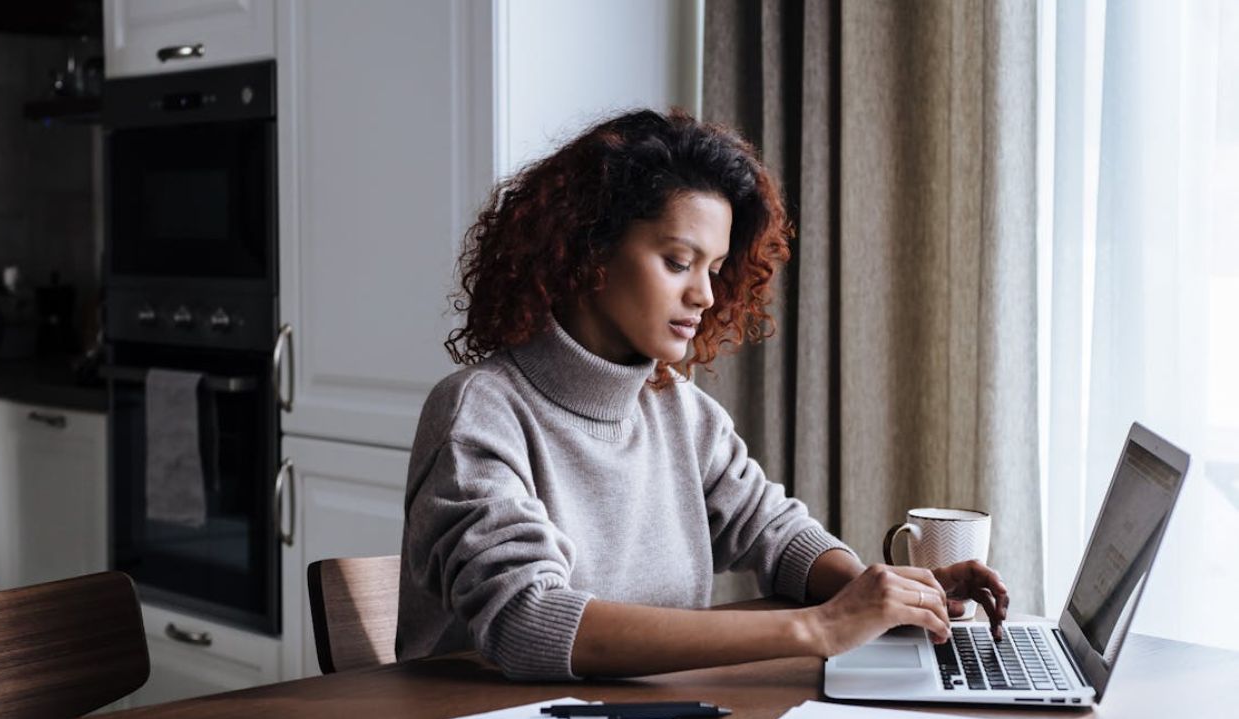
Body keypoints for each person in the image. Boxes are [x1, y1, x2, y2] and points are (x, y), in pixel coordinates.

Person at [395, 109, 1009, 680]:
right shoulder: (479, 411)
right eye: (677, 261)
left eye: (713, 269)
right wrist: (817, 627)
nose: (706, 296)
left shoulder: (679, 411)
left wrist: (881, 594)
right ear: (588, 251)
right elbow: (527, 620)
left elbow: (770, 528)